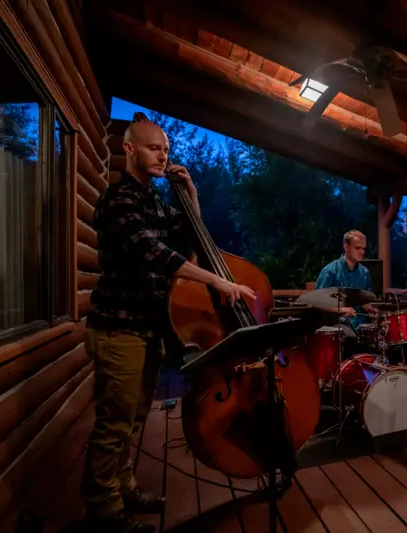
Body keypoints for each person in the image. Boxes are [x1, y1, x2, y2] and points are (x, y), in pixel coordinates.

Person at [81, 114, 256, 533]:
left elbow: (190, 237)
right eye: (154, 148)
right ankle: (103, 510)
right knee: (115, 423)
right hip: (118, 327)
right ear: (129, 150)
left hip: (148, 328)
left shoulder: (156, 202)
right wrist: (215, 279)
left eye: (166, 149)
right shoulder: (118, 200)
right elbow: (154, 253)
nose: (163, 156)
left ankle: (123, 487)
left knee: (135, 417)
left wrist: (191, 194)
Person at [314, 230, 378, 344]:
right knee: (351, 338)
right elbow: (317, 302)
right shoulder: (330, 271)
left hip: (360, 323)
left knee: (382, 335)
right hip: (337, 322)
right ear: (346, 247)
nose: (362, 252)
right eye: (357, 248)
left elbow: (363, 302)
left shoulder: (365, 272)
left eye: (363, 249)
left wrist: (369, 308)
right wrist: (341, 310)